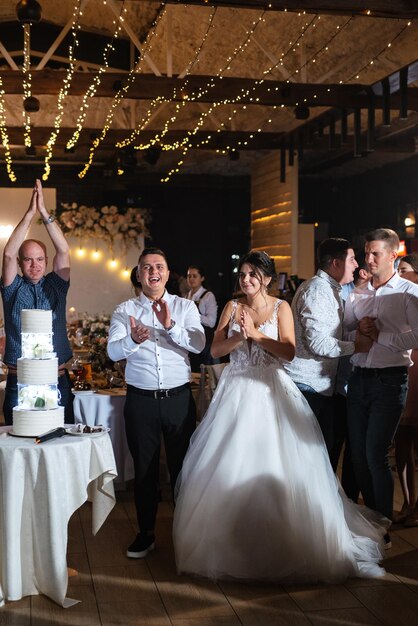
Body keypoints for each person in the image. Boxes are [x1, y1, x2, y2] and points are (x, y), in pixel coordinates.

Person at [173, 250, 387, 583]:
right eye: (243, 275)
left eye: (253, 275)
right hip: (236, 392)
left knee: (282, 467)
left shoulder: (280, 307)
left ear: (268, 278)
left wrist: (257, 335)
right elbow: (214, 351)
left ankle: (299, 547)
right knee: (230, 466)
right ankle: (233, 547)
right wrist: (237, 337)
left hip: (272, 390)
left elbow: (288, 351)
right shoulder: (231, 307)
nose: (246, 281)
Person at [107, 247, 205, 559]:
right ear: (138, 274)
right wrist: (134, 340)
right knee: (145, 471)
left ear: (167, 272)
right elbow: (112, 353)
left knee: (183, 469)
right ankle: (146, 533)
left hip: (178, 399)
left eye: (159, 266)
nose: (153, 271)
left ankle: (185, 534)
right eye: (146, 267)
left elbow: (200, 344)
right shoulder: (124, 310)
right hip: (141, 402)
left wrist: (171, 325)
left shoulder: (185, 306)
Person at [344, 228, 418, 546]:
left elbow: (417, 335)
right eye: (365, 252)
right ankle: (370, 520)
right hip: (358, 379)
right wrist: (358, 326)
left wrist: (381, 337)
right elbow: (345, 327)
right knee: (358, 455)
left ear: (393, 255)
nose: (368, 259)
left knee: (375, 453)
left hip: (390, 381)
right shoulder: (359, 290)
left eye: (375, 253)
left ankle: (382, 527)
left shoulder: (407, 292)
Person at [284, 238, 371, 457]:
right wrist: (357, 346)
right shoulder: (318, 291)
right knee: (306, 454)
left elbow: (334, 329)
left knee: (321, 450)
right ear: (335, 263)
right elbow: (319, 343)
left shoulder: (329, 289)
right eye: (351, 259)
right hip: (307, 385)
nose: (356, 265)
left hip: (318, 385)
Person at [0, 179, 74, 425]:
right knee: (17, 446)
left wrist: (45, 213)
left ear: (46, 261)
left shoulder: (56, 285)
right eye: (28, 260)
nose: (35, 265)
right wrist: (30, 214)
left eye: (40, 259)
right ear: (20, 264)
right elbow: (8, 253)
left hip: (57, 380)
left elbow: (63, 251)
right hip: (19, 381)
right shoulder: (12, 288)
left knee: (62, 445)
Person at [392, 253, 418, 525]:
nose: (400, 273)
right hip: (403, 366)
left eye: (406, 269)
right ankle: (407, 504)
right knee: (402, 441)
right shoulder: (397, 296)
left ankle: (416, 506)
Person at [186, 264, 218, 372]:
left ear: (202, 278)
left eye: (194, 276)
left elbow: (212, 322)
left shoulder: (208, 296)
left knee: (206, 375)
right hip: (191, 341)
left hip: (206, 342)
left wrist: (194, 315)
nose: (191, 279)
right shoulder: (188, 296)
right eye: (189, 276)